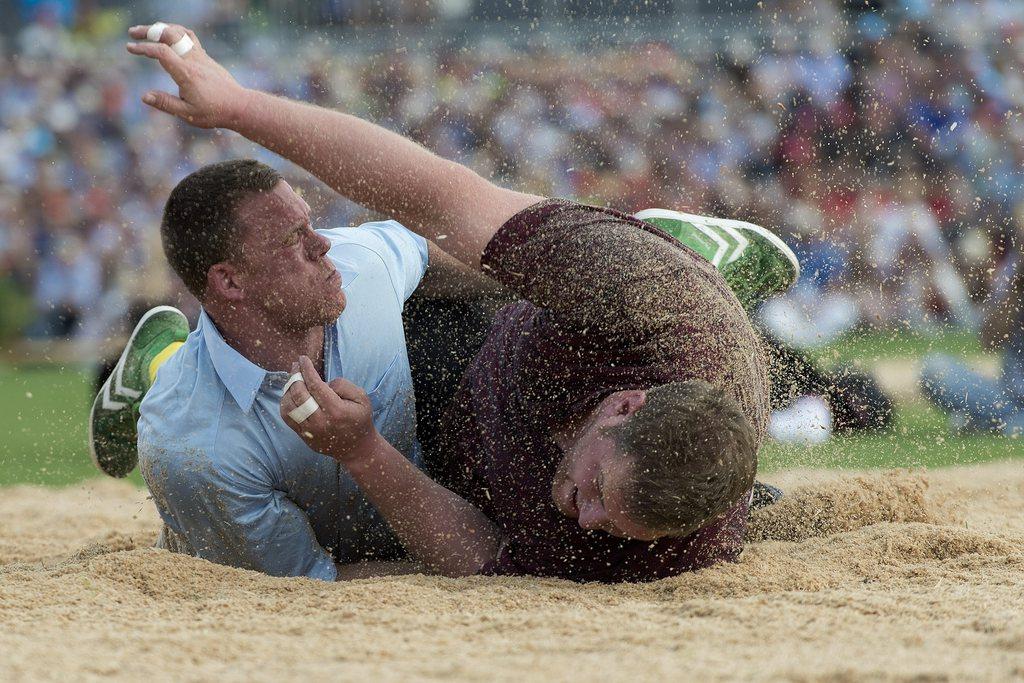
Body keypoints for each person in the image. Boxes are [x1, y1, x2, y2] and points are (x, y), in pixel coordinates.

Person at [116, 21, 798, 582]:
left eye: (615, 524)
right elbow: (437, 200)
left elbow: (478, 559)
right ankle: (671, 245)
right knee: (397, 276)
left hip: (457, 459)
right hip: (497, 339)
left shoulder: (661, 544)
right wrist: (238, 108)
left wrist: (363, 451)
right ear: (624, 405)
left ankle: (163, 361)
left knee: (366, 515)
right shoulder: (642, 301)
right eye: (595, 489)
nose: (584, 516)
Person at [920, 239, 1024, 436]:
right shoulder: (1014, 273)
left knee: (1012, 426)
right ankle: (998, 423)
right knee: (935, 368)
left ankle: (989, 423)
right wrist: (1017, 287)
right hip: (1006, 397)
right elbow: (989, 340)